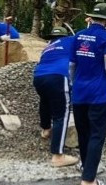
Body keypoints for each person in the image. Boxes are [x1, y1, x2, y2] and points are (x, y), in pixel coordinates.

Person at [69, 2, 106, 185]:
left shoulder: (77, 36)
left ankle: (86, 167)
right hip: (98, 95)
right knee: (97, 135)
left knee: (83, 133)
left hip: (79, 94)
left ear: (91, 17)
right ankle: (89, 180)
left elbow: (71, 66)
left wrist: (73, 85)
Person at [34, 26, 80, 167]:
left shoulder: (48, 47)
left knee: (45, 100)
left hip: (38, 77)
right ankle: (57, 156)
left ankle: (46, 130)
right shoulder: (71, 40)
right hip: (59, 76)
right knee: (62, 114)